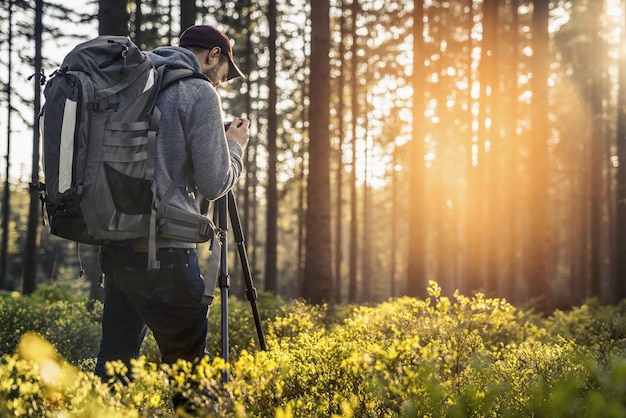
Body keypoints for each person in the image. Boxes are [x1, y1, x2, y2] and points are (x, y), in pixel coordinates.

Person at [94, 25, 249, 382]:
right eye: (225, 74)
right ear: (214, 55)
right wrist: (236, 146)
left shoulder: (135, 82)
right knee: (191, 372)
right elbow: (214, 185)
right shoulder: (198, 92)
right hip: (166, 253)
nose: (222, 82)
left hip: (116, 244)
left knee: (115, 366)